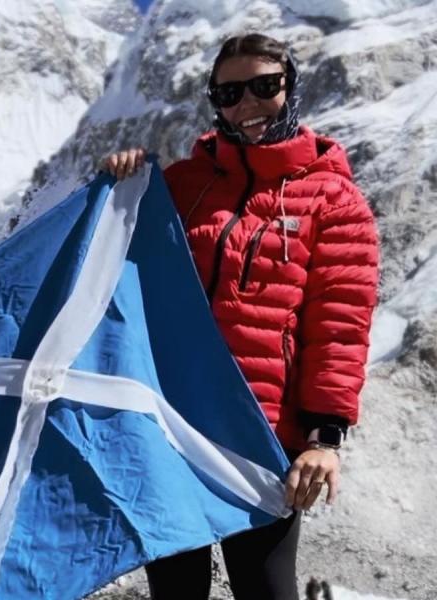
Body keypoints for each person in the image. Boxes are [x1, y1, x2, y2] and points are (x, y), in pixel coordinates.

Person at [100, 33, 379, 600]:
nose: (247, 104)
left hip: (265, 437)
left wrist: (324, 438)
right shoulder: (179, 186)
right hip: (172, 427)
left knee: (266, 589)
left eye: (264, 86)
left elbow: (339, 325)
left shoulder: (334, 200)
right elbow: (116, 275)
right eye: (229, 93)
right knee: (176, 591)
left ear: (291, 88)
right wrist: (120, 181)